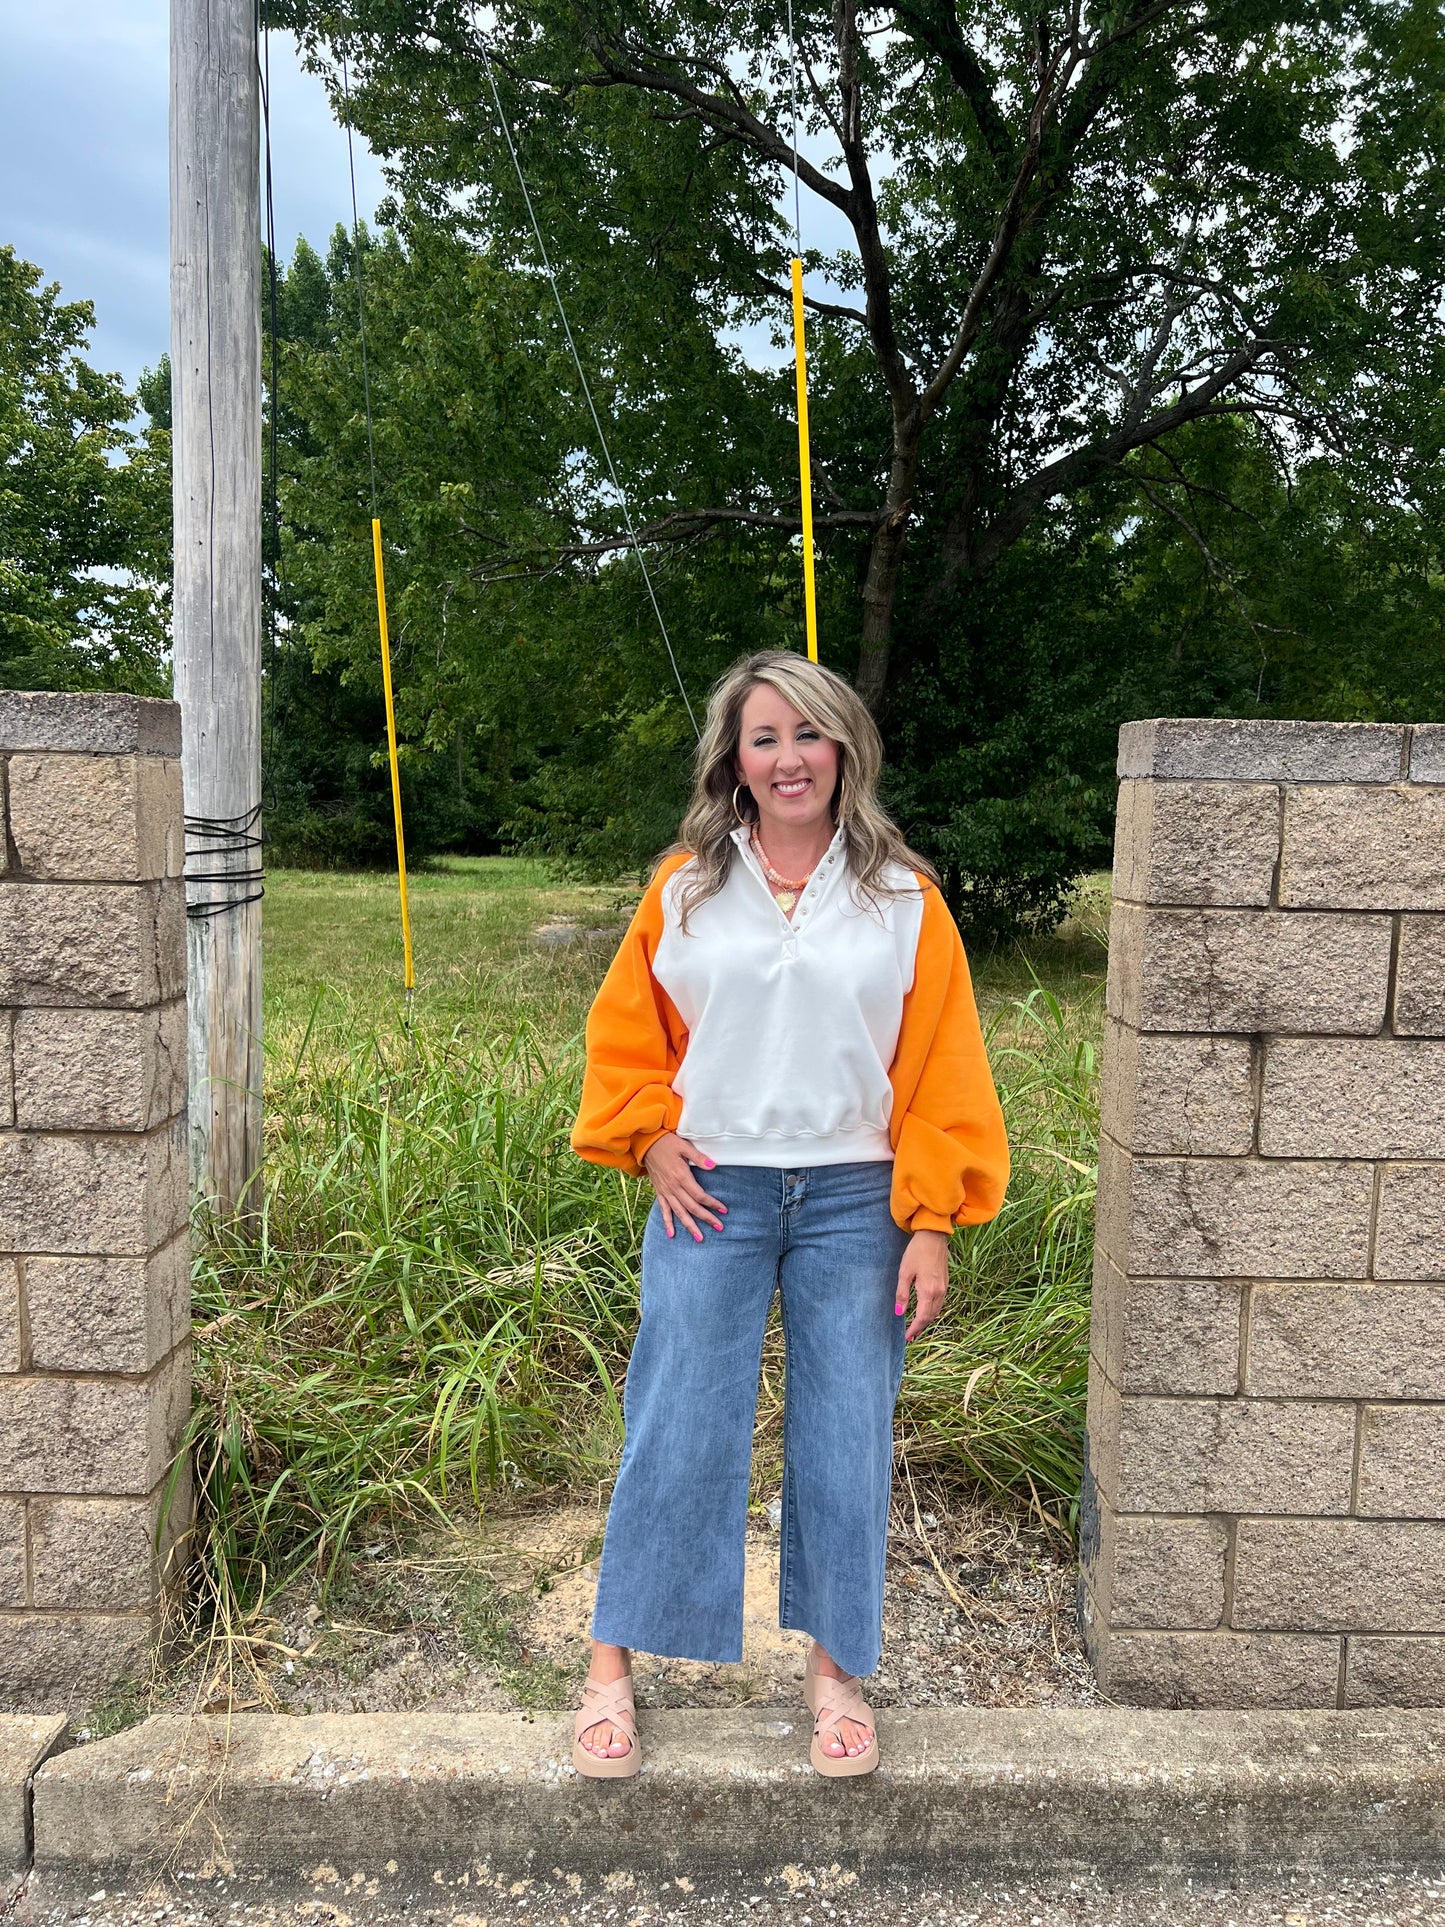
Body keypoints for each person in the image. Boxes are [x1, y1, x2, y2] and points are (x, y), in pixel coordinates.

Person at [568, 649, 1009, 1780]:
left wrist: (930, 1220)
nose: (786, 757)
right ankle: (610, 1668)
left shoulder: (901, 897)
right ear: (734, 759)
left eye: (806, 734)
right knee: (674, 1421)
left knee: (845, 1437)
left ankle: (835, 1676)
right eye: (762, 737)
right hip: (711, 1189)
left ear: (843, 747)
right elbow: (627, 1038)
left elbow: (941, 1064)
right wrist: (647, 1135)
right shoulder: (682, 886)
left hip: (857, 1197)